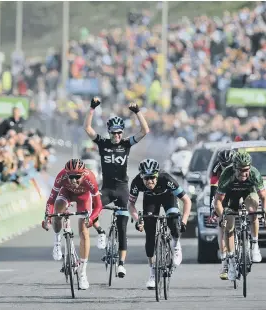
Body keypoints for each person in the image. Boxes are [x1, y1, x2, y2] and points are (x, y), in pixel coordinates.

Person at [83, 97, 150, 278]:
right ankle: (102, 232)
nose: (117, 136)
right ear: (109, 133)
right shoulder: (103, 143)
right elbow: (88, 129)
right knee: (89, 211)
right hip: (106, 188)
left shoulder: (126, 144)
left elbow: (145, 130)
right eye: (114, 133)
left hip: (121, 189)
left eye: (120, 133)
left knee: (122, 228)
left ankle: (121, 264)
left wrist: (137, 112)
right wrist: (92, 109)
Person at [128, 158, 192, 289]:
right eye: (146, 178)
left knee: (173, 220)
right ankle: (152, 274)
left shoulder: (166, 179)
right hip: (150, 200)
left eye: (152, 177)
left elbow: (187, 201)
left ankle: (176, 245)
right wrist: (138, 219)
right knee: (150, 235)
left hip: (168, 197)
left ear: (157, 175)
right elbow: (131, 205)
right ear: (141, 176)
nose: (149, 181)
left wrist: (184, 221)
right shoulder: (136, 182)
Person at [42, 159, 103, 290]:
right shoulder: (61, 176)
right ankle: (57, 241)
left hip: (83, 198)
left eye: (77, 177)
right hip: (66, 194)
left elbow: (98, 205)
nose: (74, 181)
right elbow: (51, 200)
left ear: (84, 173)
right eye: (71, 177)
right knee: (57, 211)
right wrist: (47, 217)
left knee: (83, 233)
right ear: (66, 174)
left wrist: (91, 219)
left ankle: (82, 273)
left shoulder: (90, 178)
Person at [213, 150, 266, 281]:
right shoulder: (227, 174)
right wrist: (222, 217)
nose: (244, 173)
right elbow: (218, 201)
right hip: (230, 196)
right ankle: (232, 262)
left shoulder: (254, 173)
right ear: (234, 168)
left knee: (252, 210)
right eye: (240, 170)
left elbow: (264, 197)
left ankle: (255, 245)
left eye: (246, 170)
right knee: (229, 225)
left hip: (248, 192)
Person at [208, 149, 236, 280]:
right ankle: (224, 261)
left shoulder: (239, 165)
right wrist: (212, 210)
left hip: (237, 191)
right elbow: (213, 190)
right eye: (223, 164)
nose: (226, 167)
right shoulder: (216, 168)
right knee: (222, 226)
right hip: (222, 193)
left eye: (229, 165)